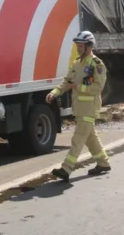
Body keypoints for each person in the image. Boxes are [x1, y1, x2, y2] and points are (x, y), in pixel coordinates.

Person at [46, 30, 110, 181]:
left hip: (89, 109)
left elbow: (98, 87)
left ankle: (66, 169)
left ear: (89, 46)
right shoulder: (76, 63)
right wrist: (55, 92)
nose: (78, 48)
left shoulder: (97, 64)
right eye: (77, 46)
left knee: (78, 138)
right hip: (79, 108)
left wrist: (78, 87)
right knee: (90, 138)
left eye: (81, 46)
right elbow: (67, 81)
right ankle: (103, 163)